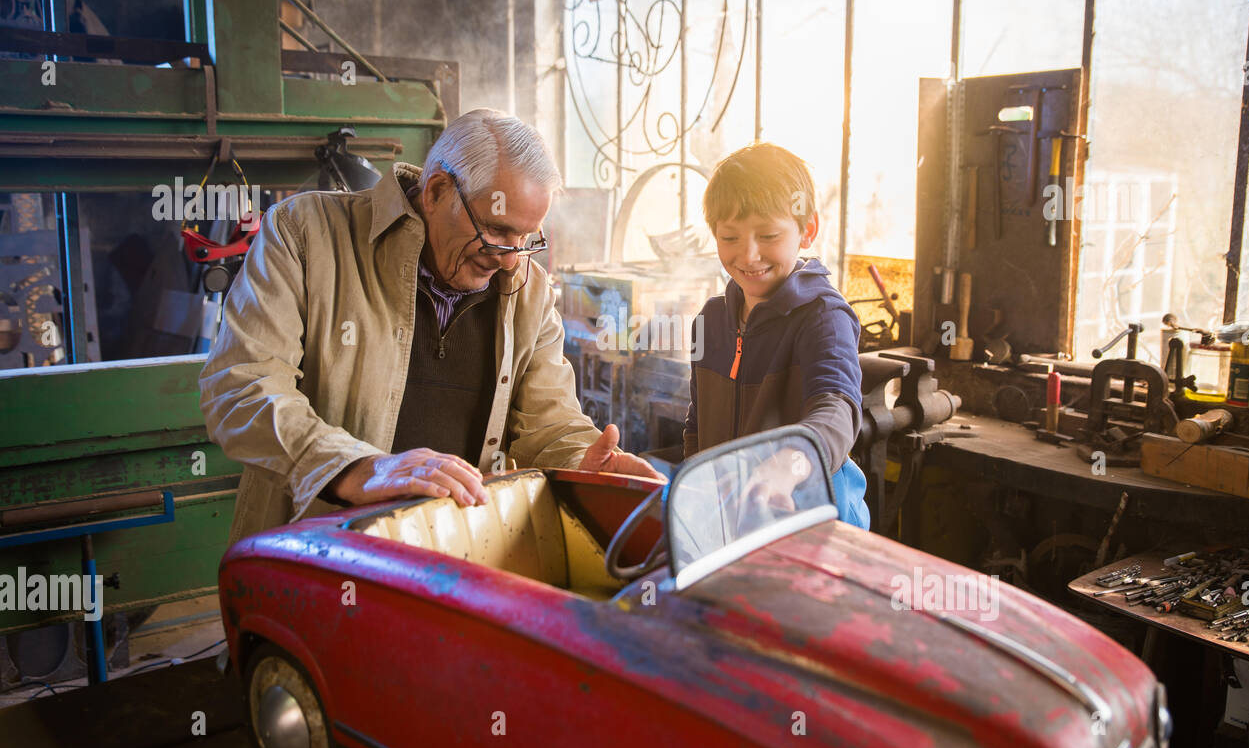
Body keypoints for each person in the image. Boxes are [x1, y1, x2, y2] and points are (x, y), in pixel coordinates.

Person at [199, 109, 660, 543]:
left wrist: (586, 463)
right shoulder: (306, 234)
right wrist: (357, 468)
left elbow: (548, 421)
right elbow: (241, 387)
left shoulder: (528, 289)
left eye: (525, 240)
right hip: (315, 559)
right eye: (497, 231)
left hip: (454, 558)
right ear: (437, 191)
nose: (507, 259)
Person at [683, 142, 870, 529]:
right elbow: (697, 427)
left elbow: (837, 409)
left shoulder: (824, 317)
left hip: (817, 528)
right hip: (738, 529)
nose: (748, 255)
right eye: (729, 237)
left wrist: (789, 463)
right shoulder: (711, 320)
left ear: (808, 230)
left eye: (768, 235)